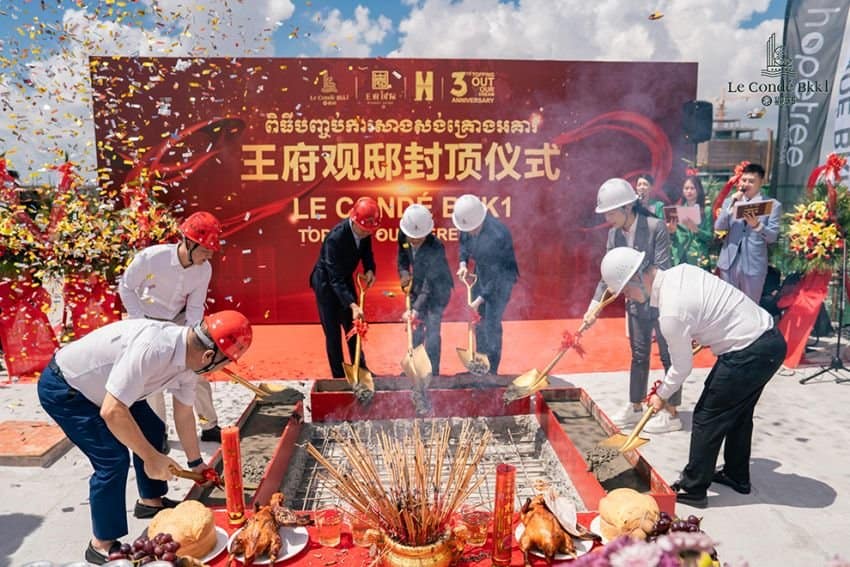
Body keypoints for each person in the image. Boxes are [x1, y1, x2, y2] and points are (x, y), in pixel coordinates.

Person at [37, 310, 253, 564]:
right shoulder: (153, 348)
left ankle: (150, 501)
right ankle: (101, 543)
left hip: (115, 389)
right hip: (69, 389)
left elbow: (183, 414)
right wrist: (151, 458)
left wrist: (197, 464)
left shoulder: (190, 363)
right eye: (224, 362)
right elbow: (112, 411)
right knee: (112, 459)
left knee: (152, 428)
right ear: (209, 356)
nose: (221, 369)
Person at [599, 247, 787, 508]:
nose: (628, 299)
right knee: (738, 413)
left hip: (748, 351)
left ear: (638, 278)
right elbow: (707, 310)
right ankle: (736, 474)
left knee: (707, 416)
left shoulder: (671, 313)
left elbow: (681, 367)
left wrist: (661, 396)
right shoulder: (682, 271)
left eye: (627, 292)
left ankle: (693, 488)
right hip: (769, 341)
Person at [583, 178, 680, 433]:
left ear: (627, 208)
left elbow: (663, 266)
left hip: (660, 302)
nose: (607, 218)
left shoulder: (655, 226)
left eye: (611, 213)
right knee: (639, 356)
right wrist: (593, 307)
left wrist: (639, 287)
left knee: (669, 355)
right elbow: (608, 274)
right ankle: (635, 406)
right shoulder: (614, 234)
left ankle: (671, 412)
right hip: (635, 304)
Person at [118, 211, 224, 444]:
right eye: (205, 249)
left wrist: (191, 335)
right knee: (152, 378)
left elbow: (195, 306)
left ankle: (209, 425)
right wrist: (139, 322)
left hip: (178, 320)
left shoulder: (204, 269)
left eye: (211, 250)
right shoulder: (151, 258)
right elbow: (126, 288)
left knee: (198, 372)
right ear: (189, 241)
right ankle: (159, 432)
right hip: (145, 320)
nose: (209, 255)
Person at [310, 197, 380, 378]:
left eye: (370, 230)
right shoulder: (336, 238)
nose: (367, 234)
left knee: (354, 328)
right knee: (333, 333)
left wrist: (370, 269)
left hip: (345, 280)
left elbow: (367, 253)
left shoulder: (364, 232)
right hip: (326, 284)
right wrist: (353, 305)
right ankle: (339, 377)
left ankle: (361, 369)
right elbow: (334, 279)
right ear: (355, 221)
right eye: (365, 230)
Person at [452, 194, 518, 375]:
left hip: (501, 279)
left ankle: (492, 372)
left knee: (491, 324)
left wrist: (480, 299)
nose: (471, 232)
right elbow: (464, 245)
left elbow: (497, 275)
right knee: (477, 322)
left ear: (481, 219)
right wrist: (463, 264)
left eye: (474, 229)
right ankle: (480, 366)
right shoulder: (466, 224)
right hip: (483, 275)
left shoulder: (498, 234)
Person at [397, 204, 453, 375]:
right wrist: (404, 274)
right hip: (417, 285)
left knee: (432, 331)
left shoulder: (436, 247)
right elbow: (402, 259)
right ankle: (414, 368)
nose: (413, 241)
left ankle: (432, 372)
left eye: (418, 238)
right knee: (416, 330)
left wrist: (415, 309)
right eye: (411, 238)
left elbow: (429, 285)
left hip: (438, 290)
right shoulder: (403, 235)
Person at [714, 163, 782, 303]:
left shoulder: (772, 205)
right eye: (744, 180)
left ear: (761, 182)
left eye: (751, 181)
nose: (746, 184)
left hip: (754, 264)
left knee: (750, 306)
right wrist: (731, 207)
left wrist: (757, 225)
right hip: (729, 263)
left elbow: (772, 236)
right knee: (727, 305)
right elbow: (719, 226)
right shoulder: (730, 201)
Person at [666, 175, 714, 269]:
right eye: (686, 188)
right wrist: (671, 232)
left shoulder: (706, 210)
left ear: (698, 190)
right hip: (681, 256)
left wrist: (696, 230)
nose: (689, 191)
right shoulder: (677, 211)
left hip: (699, 257)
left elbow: (710, 238)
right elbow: (674, 238)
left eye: (692, 188)